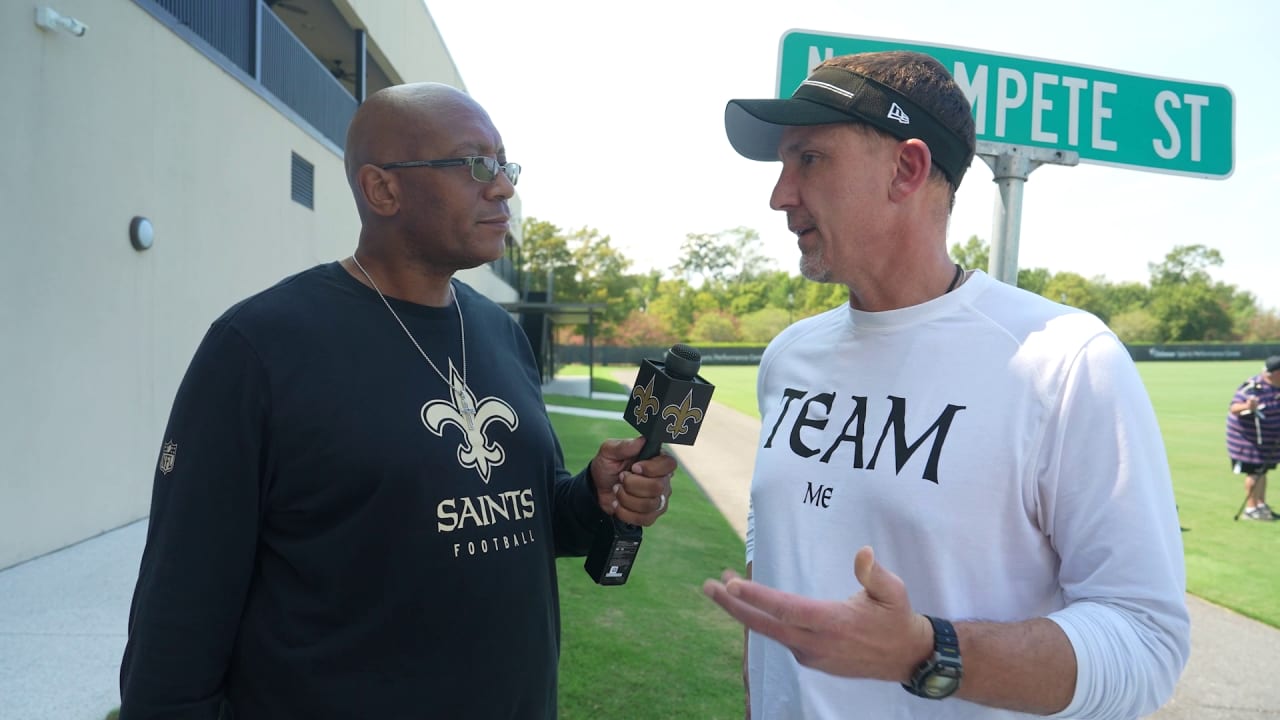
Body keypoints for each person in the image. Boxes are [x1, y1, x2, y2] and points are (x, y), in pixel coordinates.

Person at [118, 82, 677, 719]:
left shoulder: (499, 333)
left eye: (504, 164)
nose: (502, 188)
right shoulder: (259, 347)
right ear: (383, 189)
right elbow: (179, 607)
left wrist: (593, 495)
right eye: (474, 164)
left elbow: (529, 514)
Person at [701, 51, 1189, 719]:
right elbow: (781, 538)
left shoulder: (1066, 362)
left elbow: (1146, 641)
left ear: (908, 169)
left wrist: (926, 652)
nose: (780, 194)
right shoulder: (788, 358)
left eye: (809, 159)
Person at [1226, 355, 1280, 520]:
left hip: (1269, 441)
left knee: (1262, 472)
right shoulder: (1253, 387)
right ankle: (1251, 509)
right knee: (1254, 472)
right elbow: (1234, 407)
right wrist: (1248, 406)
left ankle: (1260, 505)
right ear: (1276, 373)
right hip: (1248, 441)